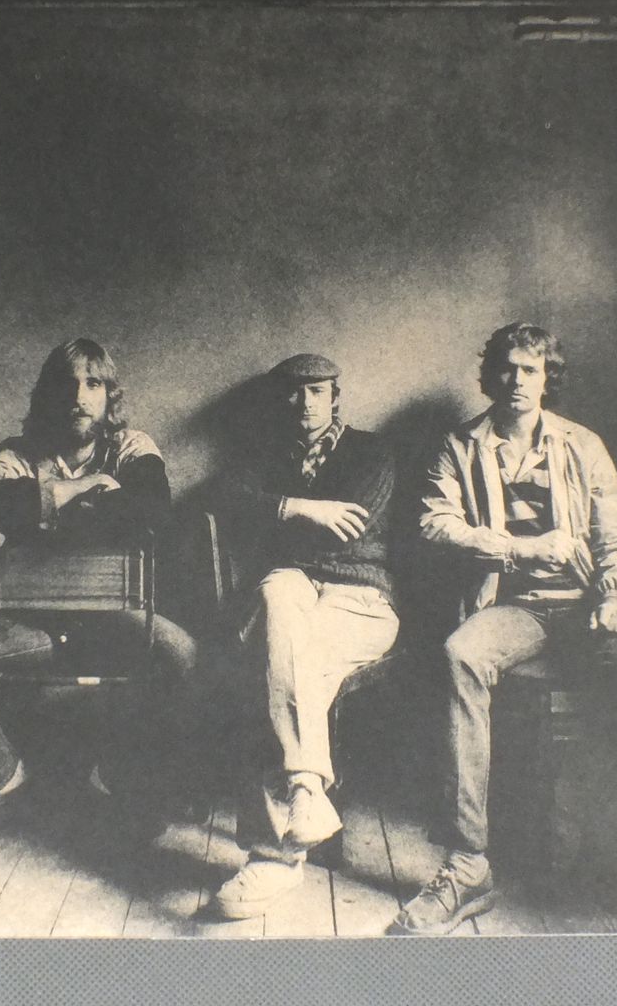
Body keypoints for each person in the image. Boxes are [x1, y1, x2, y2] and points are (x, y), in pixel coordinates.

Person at [390, 322, 617, 935]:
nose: (516, 381)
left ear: (546, 378)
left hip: (588, 604)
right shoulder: (460, 446)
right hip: (516, 608)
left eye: (530, 370)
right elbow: (434, 522)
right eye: (506, 369)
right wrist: (520, 548)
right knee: (459, 654)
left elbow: (616, 533)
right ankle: (468, 863)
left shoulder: (582, 444)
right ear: (490, 376)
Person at [0, 339, 197, 849]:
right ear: (47, 395)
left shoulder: (132, 447)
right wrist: (85, 489)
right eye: (67, 384)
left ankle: (122, 779)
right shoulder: (16, 453)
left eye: (93, 384)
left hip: (111, 618)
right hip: (24, 622)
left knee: (184, 656)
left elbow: (152, 512)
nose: (79, 396)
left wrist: (44, 514)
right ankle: (3, 777)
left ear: (109, 395)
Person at [208, 353, 400, 919]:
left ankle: (275, 856)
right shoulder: (261, 456)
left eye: (317, 391)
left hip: (360, 598)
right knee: (277, 594)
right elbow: (226, 501)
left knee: (283, 661)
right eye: (293, 393)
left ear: (335, 397)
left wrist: (276, 520)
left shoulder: (371, 452)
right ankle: (306, 794)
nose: (305, 403)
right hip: (291, 588)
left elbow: (350, 532)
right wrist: (301, 506)